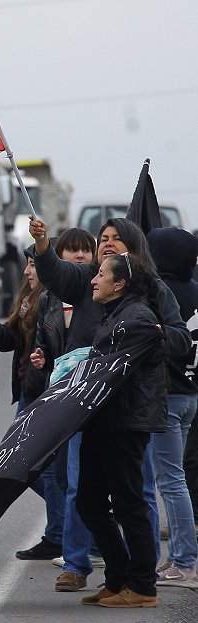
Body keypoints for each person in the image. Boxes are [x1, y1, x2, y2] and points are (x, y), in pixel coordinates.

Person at [30, 216, 192, 577]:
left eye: (116, 238)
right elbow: (55, 273)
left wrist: (152, 333)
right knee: (82, 492)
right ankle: (79, 565)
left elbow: (180, 340)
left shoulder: (152, 292)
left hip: (131, 409)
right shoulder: (90, 283)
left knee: (137, 495)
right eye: (103, 237)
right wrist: (42, 244)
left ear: (132, 250)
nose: (107, 243)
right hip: (85, 406)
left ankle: (140, 575)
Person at [0, 245, 64, 561]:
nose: (26, 271)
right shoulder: (28, 301)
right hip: (28, 392)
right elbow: (6, 340)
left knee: (35, 469)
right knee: (28, 467)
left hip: (43, 394)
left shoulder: (58, 301)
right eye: (27, 265)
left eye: (32, 264)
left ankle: (67, 531)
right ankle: (63, 531)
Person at [77, 252, 166, 608]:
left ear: (120, 284)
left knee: (130, 506)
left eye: (101, 274)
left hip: (125, 424)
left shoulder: (138, 316)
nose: (93, 280)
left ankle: (143, 587)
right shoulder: (115, 314)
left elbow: (126, 365)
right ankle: (117, 580)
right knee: (88, 503)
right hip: (103, 422)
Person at [29, 227, 103, 593]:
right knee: (67, 480)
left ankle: (134, 570)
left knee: (130, 488)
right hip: (67, 398)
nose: (82, 256)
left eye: (86, 249)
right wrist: (44, 360)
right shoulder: (55, 296)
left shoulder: (126, 293)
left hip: (112, 400)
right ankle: (76, 560)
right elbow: (42, 342)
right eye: (71, 250)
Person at [145, 227, 198, 588]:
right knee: (173, 477)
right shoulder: (194, 289)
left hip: (168, 395)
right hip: (191, 392)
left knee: (171, 481)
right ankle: (177, 557)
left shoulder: (160, 294)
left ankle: (185, 562)